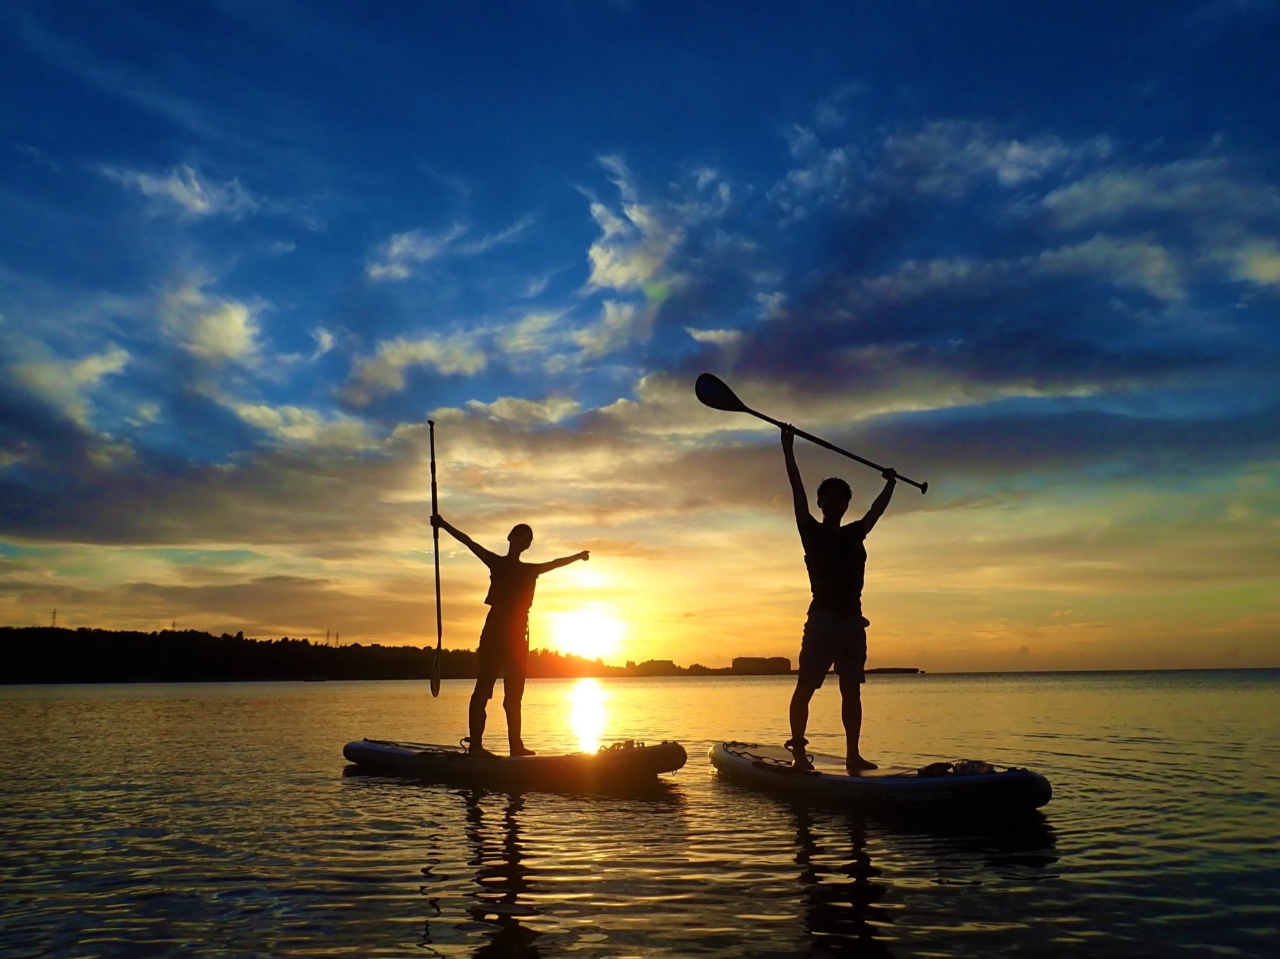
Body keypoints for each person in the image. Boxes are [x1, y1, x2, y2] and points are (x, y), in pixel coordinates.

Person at [781, 425, 896, 772]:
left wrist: (890, 483)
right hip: (823, 621)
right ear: (821, 503)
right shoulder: (810, 531)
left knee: (852, 691)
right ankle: (799, 752)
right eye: (828, 498)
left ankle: (852, 756)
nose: (834, 503)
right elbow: (796, 490)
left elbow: (876, 511)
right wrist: (788, 449)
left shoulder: (855, 533)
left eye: (841, 498)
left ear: (846, 504)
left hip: (852, 623)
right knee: (806, 687)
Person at [431, 514, 589, 757]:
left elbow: (556, 562)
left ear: (527, 545)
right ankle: (475, 747)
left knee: (514, 695)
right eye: (521, 535)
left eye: (528, 539)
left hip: (517, 635)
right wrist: (442, 524)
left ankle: (516, 747)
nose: (524, 541)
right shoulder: (496, 562)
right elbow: (468, 542)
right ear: (511, 538)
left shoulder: (531, 570)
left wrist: (578, 557)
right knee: (483, 689)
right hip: (495, 630)